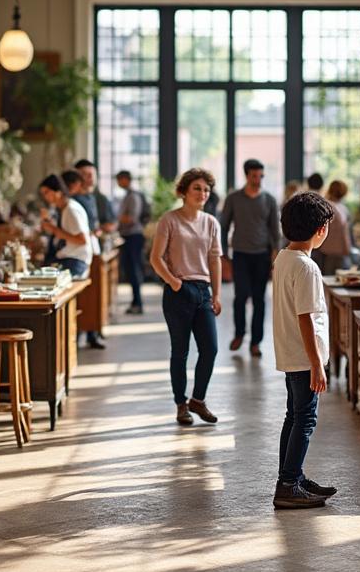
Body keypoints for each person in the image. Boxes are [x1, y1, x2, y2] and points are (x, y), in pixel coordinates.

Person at [271, 191, 339, 509]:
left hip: (290, 353)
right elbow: (306, 319)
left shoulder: (284, 258)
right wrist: (317, 363)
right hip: (303, 356)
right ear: (320, 230)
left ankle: (291, 476)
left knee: (294, 416)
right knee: (305, 419)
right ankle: (288, 484)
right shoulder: (307, 268)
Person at [150, 168, 223, 426]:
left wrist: (216, 294)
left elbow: (215, 260)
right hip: (178, 292)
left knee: (210, 349)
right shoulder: (169, 220)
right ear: (184, 191)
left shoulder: (211, 223)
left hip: (203, 292)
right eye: (197, 188)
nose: (202, 193)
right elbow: (155, 258)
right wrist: (174, 282)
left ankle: (198, 400)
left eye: (206, 190)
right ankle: (181, 404)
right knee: (180, 351)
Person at [220, 159, 282, 357]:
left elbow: (275, 231)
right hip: (240, 255)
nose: (258, 179)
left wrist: (276, 256)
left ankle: (256, 342)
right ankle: (239, 334)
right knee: (240, 297)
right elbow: (223, 227)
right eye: (254, 176)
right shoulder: (234, 198)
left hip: (262, 256)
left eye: (261, 176)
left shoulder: (269, 200)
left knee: (259, 300)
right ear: (246, 175)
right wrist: (224, 256)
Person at [39, 174, 97, 351]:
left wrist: (53, 229)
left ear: (57, 191)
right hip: (68, 258)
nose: (45, 197)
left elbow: (81, 239)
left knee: (57, 298)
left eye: (47, 192)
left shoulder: (71, 209)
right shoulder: (63, 209)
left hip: (76, 261)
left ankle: (63, 345)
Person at [65, 167, 106, 348]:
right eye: (84, 176)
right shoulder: (71, 202)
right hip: (80, 253)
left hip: (92, 250)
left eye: (91, 175)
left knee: (91, 297)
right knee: (84, 298)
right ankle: (81, 333)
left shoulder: (94, 198)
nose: (88, 179)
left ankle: (92, 333)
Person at [115, 170, 150, 314]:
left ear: (125, 180)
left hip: (133, 237)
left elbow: (132, 218)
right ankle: (135, 302)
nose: (118, 183)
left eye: (119, 180)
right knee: (130, 270)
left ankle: (138, 303)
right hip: (129, 237)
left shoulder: (133, 196)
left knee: (134, 270)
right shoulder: (127, 196)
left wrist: (117, 219)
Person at [313, 179, 352, 275]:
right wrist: (348, 250)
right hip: (338, 253)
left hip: (325, 251)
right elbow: (345, 233)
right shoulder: (343, 209)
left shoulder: (324, 205)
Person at [74, 159, 118, 236]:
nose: (90, 176)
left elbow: (113, 224)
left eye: (93, 173)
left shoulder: (102, 199)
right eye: (85, 174)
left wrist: (100, 228)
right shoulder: (72, 200)